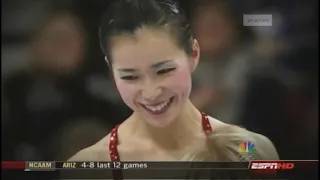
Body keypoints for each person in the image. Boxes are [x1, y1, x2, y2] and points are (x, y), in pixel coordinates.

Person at [68, 0, 279, 178]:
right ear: (111, 70)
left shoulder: (249, 148)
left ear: (193, 55)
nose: (151, 92)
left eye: (164, 70)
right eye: (130, 76)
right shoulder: (88, 166)